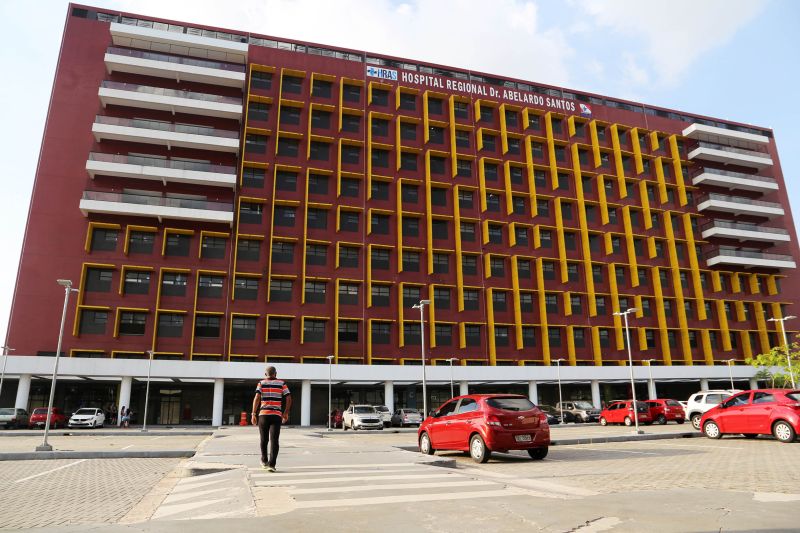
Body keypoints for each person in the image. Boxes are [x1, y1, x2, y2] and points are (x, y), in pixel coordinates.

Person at [251, 366, 292, 472]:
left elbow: (257, 398)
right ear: (276, 374)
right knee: (274, 440)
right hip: (276, 415)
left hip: (263, 415)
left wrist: (253, 414)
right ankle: (272, 465)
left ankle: (264, 461)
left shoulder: (261, 383)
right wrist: (286, 413)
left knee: (264, 439)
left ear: (265, 374)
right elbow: (288, 398)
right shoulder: (282, 383)